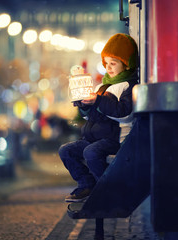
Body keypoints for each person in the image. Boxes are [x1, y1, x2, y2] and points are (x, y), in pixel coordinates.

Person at [58, 33, 139, 202]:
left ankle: (107, 188)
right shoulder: (103, 86)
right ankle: (86, 184)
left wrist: (99, 100)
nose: (108, 67)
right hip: (94, 137)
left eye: (113, 63)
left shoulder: (128, 86)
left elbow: (123, 111)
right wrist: (85, 106)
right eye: (106, 63)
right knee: (66, 150)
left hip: (114, 138)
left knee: (91, 152)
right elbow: (94, 115)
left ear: (126, 64)